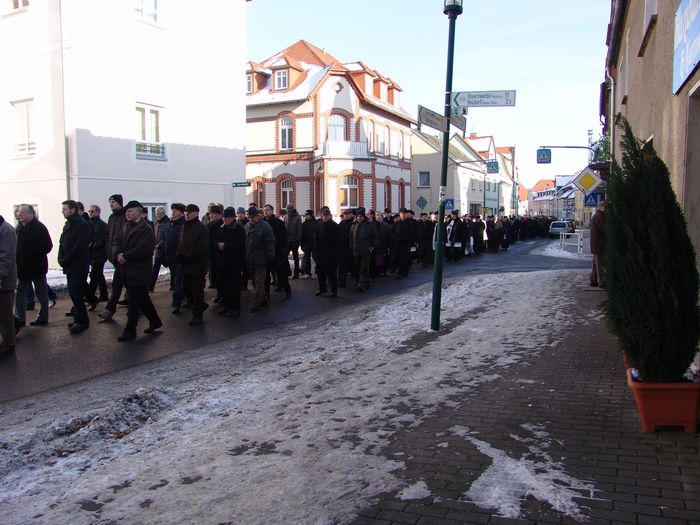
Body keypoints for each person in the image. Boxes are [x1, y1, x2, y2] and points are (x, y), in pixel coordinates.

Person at [114, 200, 162, 341]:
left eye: (130, 211)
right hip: (126, 269)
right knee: (142, 299)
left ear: (139, 213)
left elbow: (144, 249)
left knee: (134, 303)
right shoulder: (125, 226)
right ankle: (155, 321)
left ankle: (130, 330)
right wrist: (117, 254)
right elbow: (116, 241)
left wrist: (125, 256)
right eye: (126, 211)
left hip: (139, 270)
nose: (127, 213)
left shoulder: (145, 229)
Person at [14, 204, 53, 332]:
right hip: (22, 267)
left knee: (41, 292)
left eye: (22, 212)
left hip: (36, 266)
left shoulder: (39, 227)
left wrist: (31, 253)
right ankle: (19, 319)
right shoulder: (20, 227)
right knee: (20, 293)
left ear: (31, 213)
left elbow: (47, 246)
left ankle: (43, 317)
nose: (19, 214)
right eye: (19, 212)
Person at [58, 200, 92, 334]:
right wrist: (60, 258)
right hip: (69, 265)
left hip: (78, 265)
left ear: (73, 210)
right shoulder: (68, 224)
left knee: (76, 293)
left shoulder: (82, 225)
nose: (62, 211)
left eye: (65, 209)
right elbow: (62, 243)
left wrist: (66, 259)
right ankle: (78, 318)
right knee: (73, 293)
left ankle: (83, 321)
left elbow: (80, 246)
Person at [177, 204, 210, 326]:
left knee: (197, 291)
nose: (187, 214)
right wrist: (179, 254)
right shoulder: (184, 226)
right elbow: (180, 243)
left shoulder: (201, 228)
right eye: (186, 212)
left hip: (197, 266)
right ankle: (200, 305)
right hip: (185, 265)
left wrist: (188, 256)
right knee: (187, 289)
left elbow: (202, 248)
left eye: (189, 212)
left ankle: (197, 315)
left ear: (196, 213)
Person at [99, 194, 127, 320]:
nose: (111, 204)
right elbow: (108, 236)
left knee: (119, 284)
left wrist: (123, 253)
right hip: (114, 255)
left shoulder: (125, 216)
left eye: (113, 202)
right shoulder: (111, 217)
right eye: (110, 202)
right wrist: (109, 252)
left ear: (120, 203)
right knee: (127, 285)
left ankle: (110, 309)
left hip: (124, 256)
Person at [216, 207, 246, 317]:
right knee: (223, 285)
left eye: (227, 217)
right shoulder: (222, 228)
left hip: (234, 262)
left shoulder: (238, 228)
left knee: (234, 286)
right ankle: (226, 305)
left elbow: (240, 246)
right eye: (224, 217)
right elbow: (217, 241)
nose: (225, 219)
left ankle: (235, 308)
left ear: (233, 218)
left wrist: (225, 246)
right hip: (223, 261)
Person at [245, 206, 275, 312]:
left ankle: (256, 303)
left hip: (261, 259)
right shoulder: (247, 227)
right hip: (251, 259)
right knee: (254, 281)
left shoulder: (265, 227)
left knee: (259, 282)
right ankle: (263, 299)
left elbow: (270, 242)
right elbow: (246, 243)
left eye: (253, 217)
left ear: (258, 216)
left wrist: (269, 256)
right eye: (250, 217)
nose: (251, 219)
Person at [263, 204, 291, 299]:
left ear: (272, 211)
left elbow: (283, 237)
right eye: (264, 210)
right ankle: (267, 295)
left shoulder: (278, 223)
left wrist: (283, 249)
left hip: (278, 251)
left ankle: (287, 290)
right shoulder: (263, 222)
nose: (265, 212)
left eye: (267, 210)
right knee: (267, 273)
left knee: (281, 272)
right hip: (268, 252)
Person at [313, 206, 341, 297]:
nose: (325, 217)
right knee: (321, 274)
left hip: (331, 255)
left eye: (326, 215)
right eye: (323, 215)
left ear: (330, 216)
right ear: (321, 216)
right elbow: (316, 239)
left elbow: (338, 241)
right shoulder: (319, 226)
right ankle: (322, 289)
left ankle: (334, 291)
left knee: (332, 274)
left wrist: (334, 252)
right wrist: (316, 252)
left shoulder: (335, 226)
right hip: (321, 254)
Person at [0, 214, 17, 355]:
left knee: (5, 314)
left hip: (4, 282)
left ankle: (8, 342)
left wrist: (0, 276)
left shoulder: (6, 230)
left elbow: (6, 258)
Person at [349, 207, 377, 292]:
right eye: (358, 216)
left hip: (366, 249)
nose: (359, 218)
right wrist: (351, 247)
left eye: (361, 216)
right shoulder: (354, 225)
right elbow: (351, 237)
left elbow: (375, 236)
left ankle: (362, 285)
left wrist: (373, 246)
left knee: (364, 268)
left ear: (364, 216)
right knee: (358, 267)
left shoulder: (369, 225)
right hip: (356, 250)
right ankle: (364, 282)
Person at [86, 204, 109, 308]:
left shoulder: (101, 225)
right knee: (99, 275)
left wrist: (92, 247)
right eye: (89, 211)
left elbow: (102, 240)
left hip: (99, 254)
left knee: (94, 276)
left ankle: (89, 297)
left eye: (92, 211)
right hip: (92, 254)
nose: (90, 213)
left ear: (98, 212)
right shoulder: (89, 224)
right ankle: (104, 295)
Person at [165, 203, 186, 313]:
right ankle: (184, 298)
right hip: (170, 257)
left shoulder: (184, 224)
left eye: (176, 210)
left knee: (178, 281)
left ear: (182, 213)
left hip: (179, 258)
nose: (173, 212)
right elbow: (166, 239)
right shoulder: (169, 224)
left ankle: (176, 304)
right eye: (172, 210)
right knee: (177, 281)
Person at [206, 205, 224, 301]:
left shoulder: (222, 225)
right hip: (211, 254)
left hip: (219, 254)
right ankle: (219, 294)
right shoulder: (210, 224)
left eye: (213, 214)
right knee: (214, 276)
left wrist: (215, 244)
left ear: (219, 215)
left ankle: (222, 295)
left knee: (220, 276)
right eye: (210, 214)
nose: (211, 216)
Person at [150, 206, 169, 292]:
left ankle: (173, 285)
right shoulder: (156, 222)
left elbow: (167, 236)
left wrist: (161, 244)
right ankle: (150, 287)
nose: (157, 215)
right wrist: (155, 244)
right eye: (156, 213)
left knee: (171, 267)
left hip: (166, 249)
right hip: (158, 250)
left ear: (163, 213)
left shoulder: (167, 223)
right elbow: (154, 234)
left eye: (158, 214)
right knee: (155, 269)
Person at [590, 200, 605, 287]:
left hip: (596, 243)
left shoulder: (596, 216)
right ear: (602, 207)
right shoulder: (599, 217)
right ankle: (600, 281)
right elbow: (603, 229)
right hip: (598, 243)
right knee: (599, 263)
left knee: (596, 263)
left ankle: (593, 279)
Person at [285, 204, 303, 279]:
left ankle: (296, 273)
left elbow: (299, 230)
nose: (288, 212)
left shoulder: (297, 217)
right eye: (287, 211)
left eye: (289, 211)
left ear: (292, 210)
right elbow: (284, 227)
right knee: (284, 256)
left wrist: (298, 240)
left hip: (294, 240)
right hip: (287, 240)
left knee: (295, 257)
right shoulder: (286, 217)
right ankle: (288, 271)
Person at [300, 209, 318, 279]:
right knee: (307, 258)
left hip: (314, 243)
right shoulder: (304, 224)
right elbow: (302, 234)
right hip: (306, 243)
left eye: (308, 215)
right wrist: (302, 244)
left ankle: (319, 270)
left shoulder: (316, 223)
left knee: (316, 256)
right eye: (306, 215)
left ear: (311, 215)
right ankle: (307, 272)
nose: (307, 216)